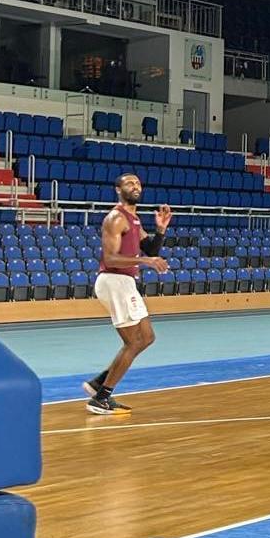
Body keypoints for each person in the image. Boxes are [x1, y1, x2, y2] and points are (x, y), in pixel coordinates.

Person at [83, 173, 170, 415]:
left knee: (147, 337)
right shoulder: (115, 218)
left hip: (125, 281)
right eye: (129, 183)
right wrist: (146, 261)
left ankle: (99, 383)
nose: (135, 186)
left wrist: (160, 231)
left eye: (138, 183)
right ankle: (101, 398)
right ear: (118, 189)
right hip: (114, 280)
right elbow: (110, 258)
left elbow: (149, 247)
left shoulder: (135, 219)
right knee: (133, 342)